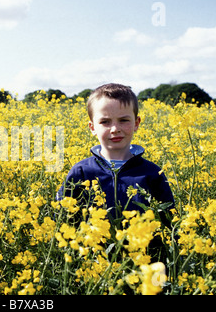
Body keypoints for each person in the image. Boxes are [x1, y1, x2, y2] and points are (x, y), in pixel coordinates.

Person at [56, 83, 175, 225]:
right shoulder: (81, 171)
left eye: (123, 120)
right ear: (92, 127)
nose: (115, 129)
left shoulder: (153, 173)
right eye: (105, 122)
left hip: (143, 246)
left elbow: (169, 221)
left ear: (136, 123)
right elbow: (62, 216)